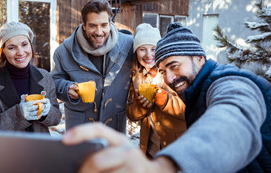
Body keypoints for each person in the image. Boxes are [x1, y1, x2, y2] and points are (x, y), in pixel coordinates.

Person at [63, 22, 271, 173]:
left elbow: (230, 120)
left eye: (174, 66)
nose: (169, 77)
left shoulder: (229, 81)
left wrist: (166, 166)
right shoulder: (192, 88)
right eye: (163, 71)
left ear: (199, 57)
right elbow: (133, 113)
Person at [51, 0, 133, 132]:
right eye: (93, 25)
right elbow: (53, 82)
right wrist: (67, 88)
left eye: (104, 25)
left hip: (114, 128)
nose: (99, 32)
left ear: (110, 23)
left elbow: (149, 52)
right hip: (79, 127)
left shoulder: (128, 45)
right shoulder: (64, 51)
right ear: (83, 25)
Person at [0, 21, 61, 142]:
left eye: (24, 44)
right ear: (3, 52)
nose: (21, 52)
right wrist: (19, 114)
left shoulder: (45, 77)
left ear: (30, 46)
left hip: (41, 154)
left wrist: (47, 112)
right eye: (12, 47)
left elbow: (56, 118)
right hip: (6, 157)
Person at [126, 23, 186, 158]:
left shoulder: (173, 73)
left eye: (153, 49)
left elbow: (187, 111)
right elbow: (130, 113)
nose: (148, 55)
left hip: (176, 145)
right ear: (136, 51)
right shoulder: (136, 76)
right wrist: (140, 107)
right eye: (142, 49)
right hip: (150, 147)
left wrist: (165, 100)